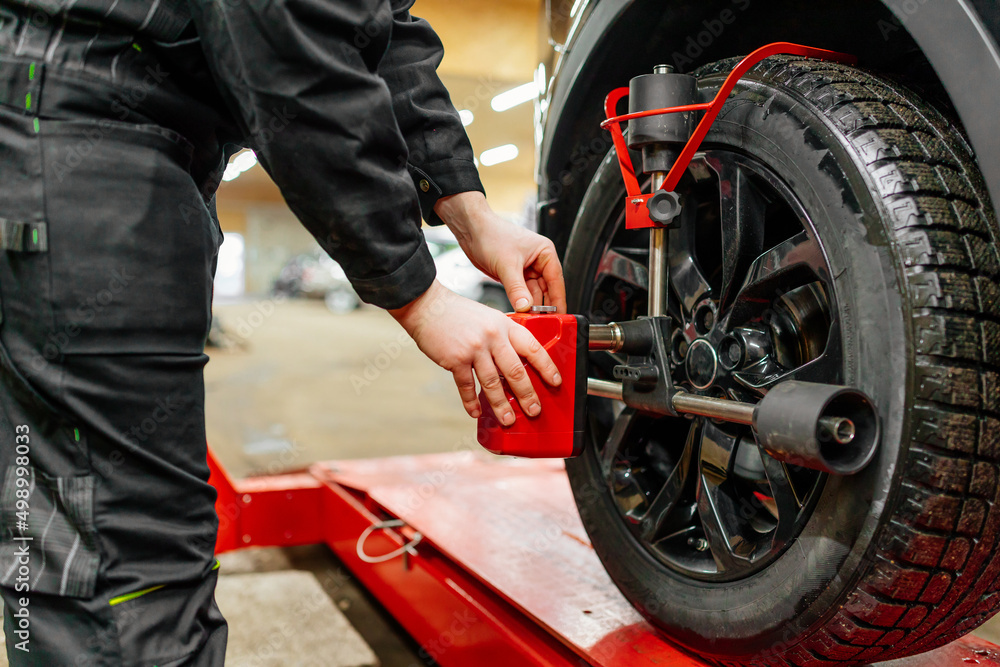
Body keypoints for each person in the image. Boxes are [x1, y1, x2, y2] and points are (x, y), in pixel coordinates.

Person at [0, 0, 566, 663]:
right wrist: (418, 295)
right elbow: (286, 34)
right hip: (82, 124)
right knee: (123, 560)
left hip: (86, 122)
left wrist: (472, 214)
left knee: (80, 518)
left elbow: (382, 35)